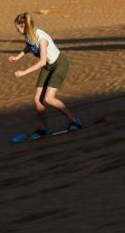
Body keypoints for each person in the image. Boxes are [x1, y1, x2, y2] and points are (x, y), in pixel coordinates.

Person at [9, 12, 81, 140]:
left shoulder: (41, 38)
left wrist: (23, 72)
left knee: (48, 99)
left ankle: (74, 120)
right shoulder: (28, 35)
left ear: (24, 26)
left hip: (59, 65)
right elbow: (29, 46)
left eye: (18, 28)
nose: (17, 30)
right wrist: (18, 57)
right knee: (37, 100)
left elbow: (42, 62)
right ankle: (44, 128)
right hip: (48, 66)